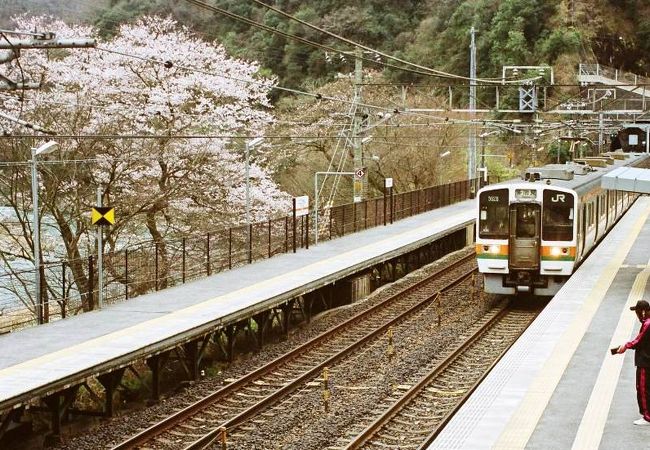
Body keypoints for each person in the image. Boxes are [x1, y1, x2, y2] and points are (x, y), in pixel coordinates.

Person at [617, 299, 650, 425]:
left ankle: (647, 416)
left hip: (645, 362)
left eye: (637, 312)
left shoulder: (648, 324)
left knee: (643, 388)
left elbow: (639, 341)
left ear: (642, 312)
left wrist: (625, 346)